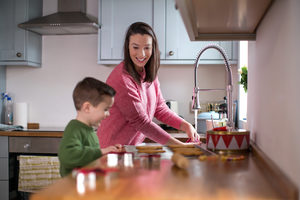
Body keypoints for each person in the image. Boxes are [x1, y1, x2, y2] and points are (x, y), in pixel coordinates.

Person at [97, 22, 200, 147]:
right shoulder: (122, 79)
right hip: (110, 151)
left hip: (128, 150)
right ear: (127, 47)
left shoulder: (148, 74)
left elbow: (160, 108)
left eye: (147, 47)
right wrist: (178, 146)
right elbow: (141, 122)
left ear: (153, 48)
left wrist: (185, 125)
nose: (142, 54)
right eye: (135, 47)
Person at [58, 77, 122, 177]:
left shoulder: (89, 130)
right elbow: (67, 156)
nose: (108, 114)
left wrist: (107, 153)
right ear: (87, 107)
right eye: (105, 109)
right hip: (74, 188)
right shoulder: (74, 129)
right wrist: (102, 152)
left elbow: (88, 158)